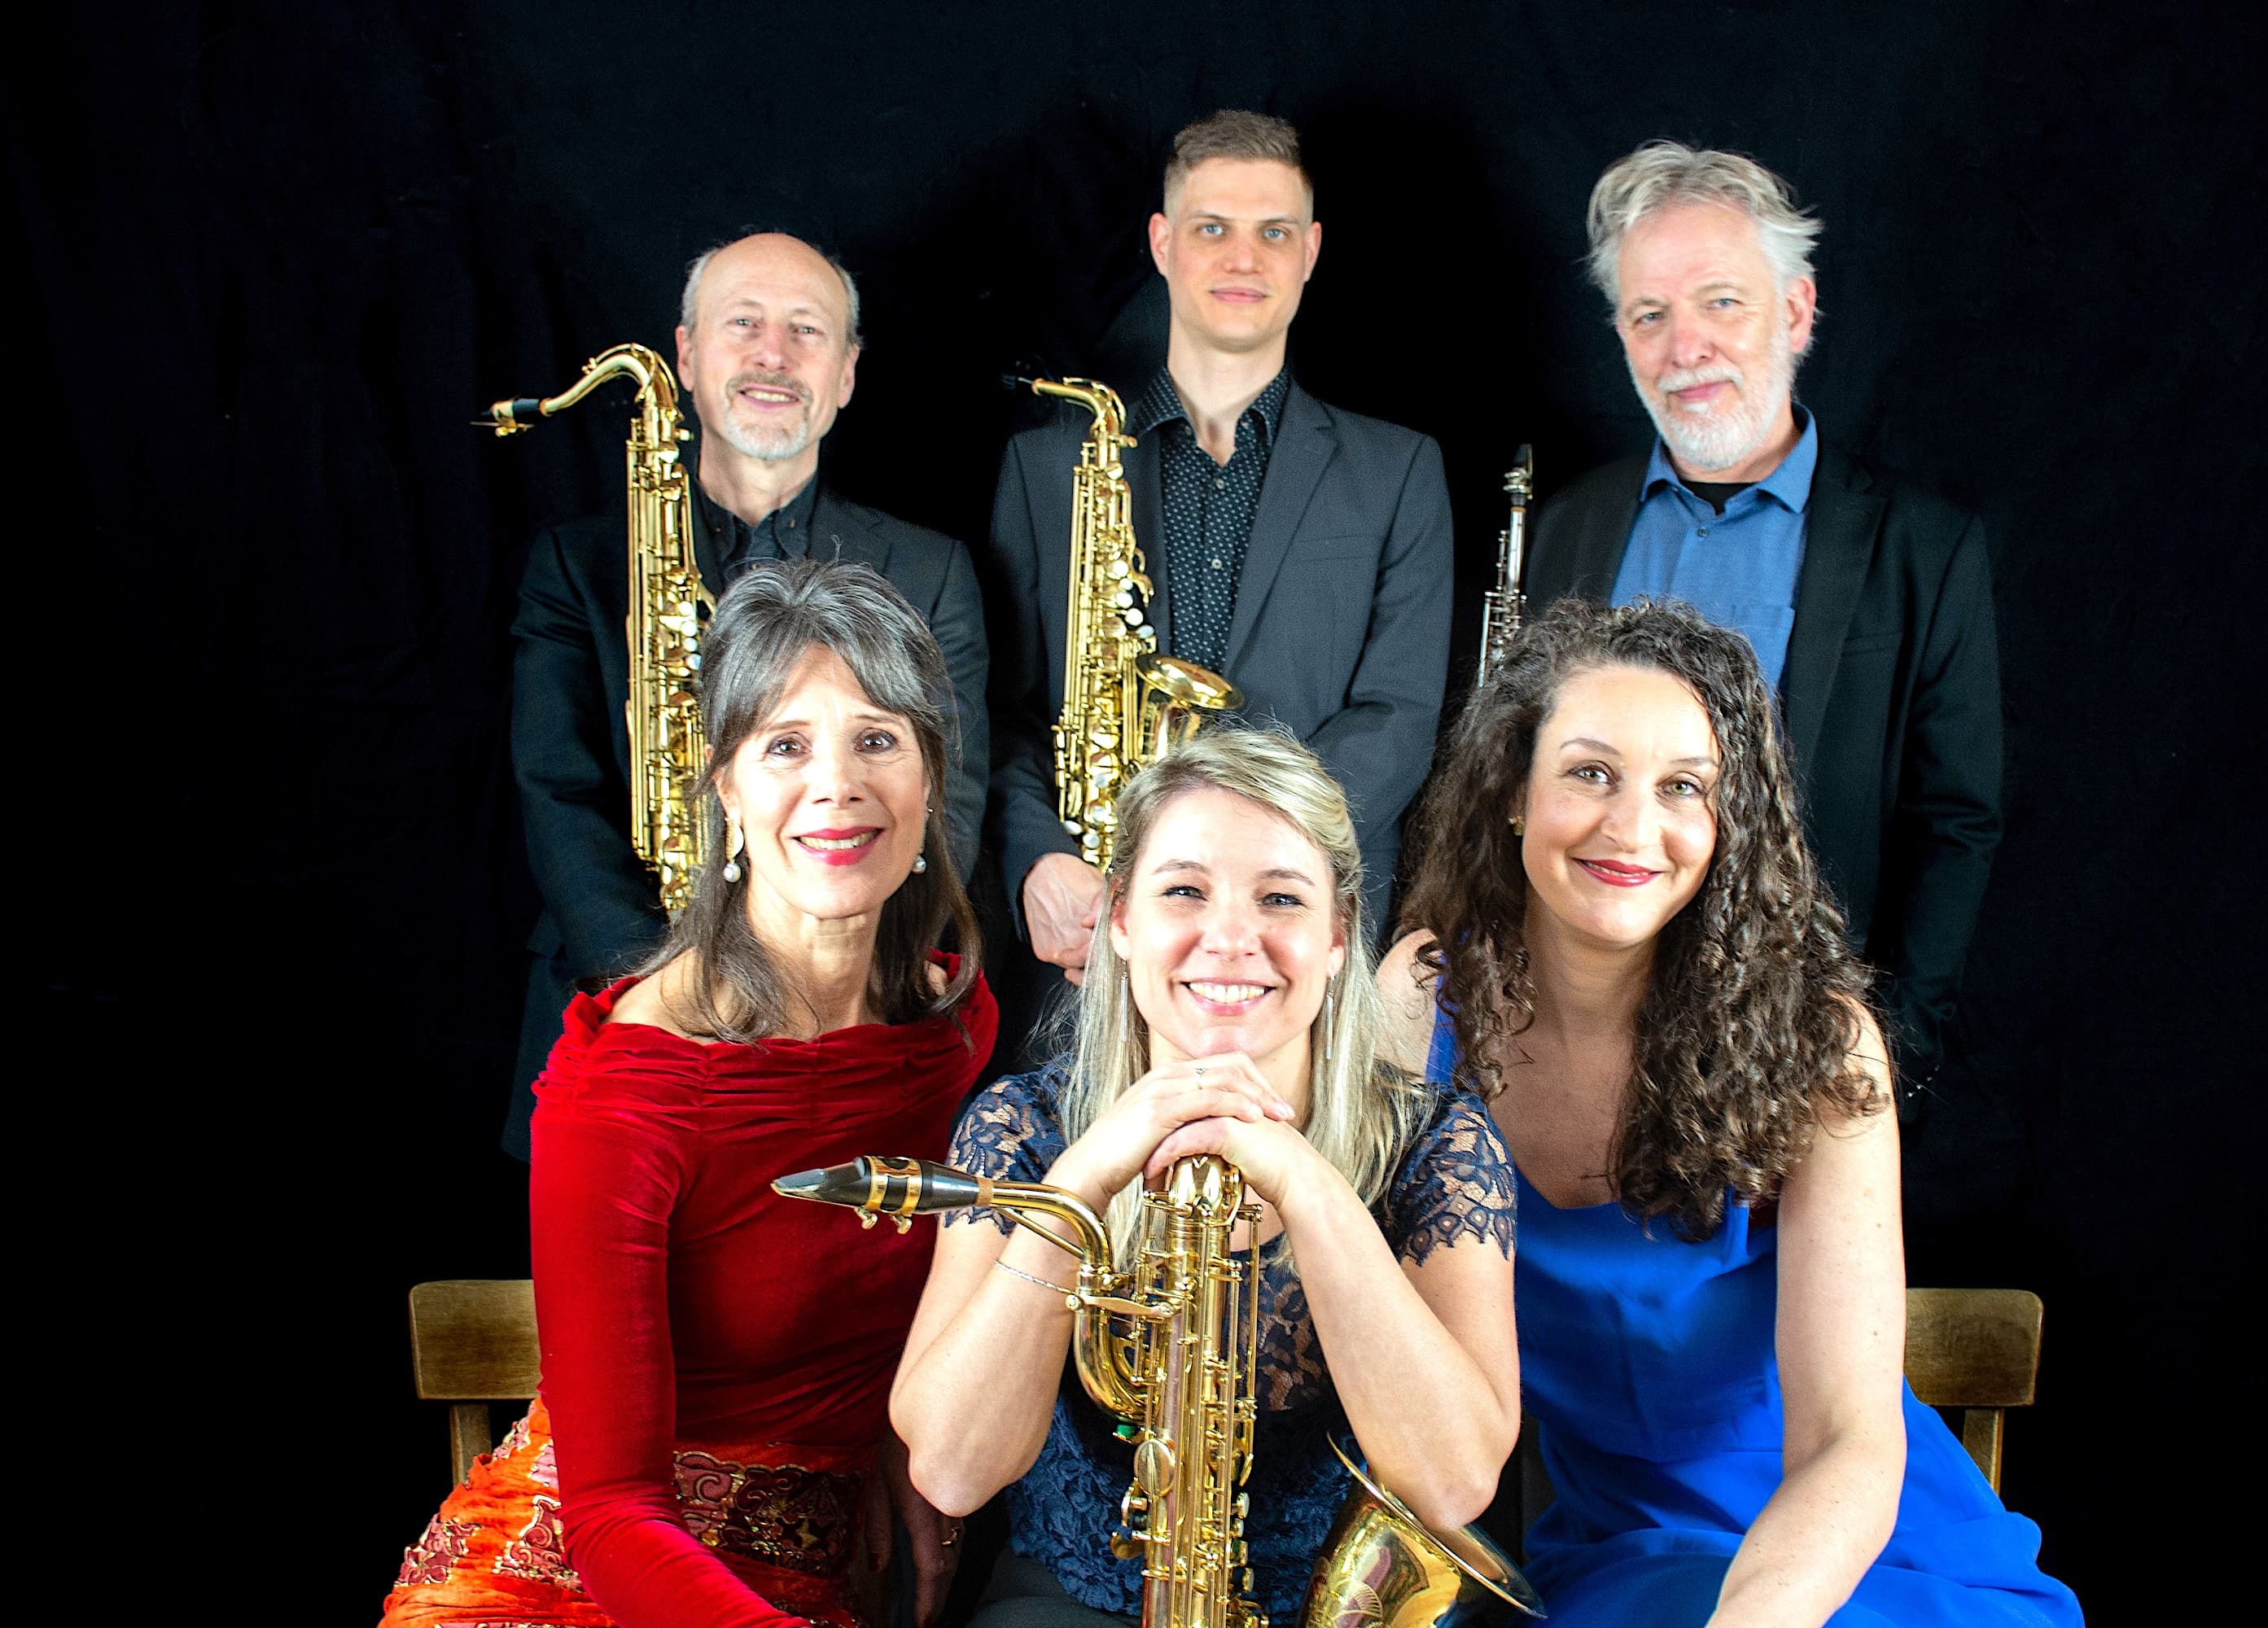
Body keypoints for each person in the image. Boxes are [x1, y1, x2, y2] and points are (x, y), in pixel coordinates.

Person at [1383, 598, 2078, 1627]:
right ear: (1513, 792)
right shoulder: (1423, 1001)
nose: (1632, 827)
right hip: (1623, 1552)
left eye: (1683, 787)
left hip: (1859, 1546)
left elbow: (1849, 1441)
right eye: (1590, 772)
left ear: (1728, 823)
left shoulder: (1822, 1042)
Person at [384, 562, 998, 1628]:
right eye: (786, 746)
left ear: (931, 779)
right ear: (727, 791)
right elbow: (612, 1513)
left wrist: (900, 1439)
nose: (837, 783)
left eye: (877, 738)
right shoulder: (629, 1086)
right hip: (579, 1583)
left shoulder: (950, 1024)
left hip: (811, 1575)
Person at [895, 729, 1514, 1627]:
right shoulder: (1024, 1128)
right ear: (1120, 919)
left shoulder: (1438, 1143)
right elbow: (953, 1472)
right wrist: (1079, 1185)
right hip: (1071, 1605)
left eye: (1281, 898)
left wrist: (1308, 1186)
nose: (1230, 938)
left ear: (1338, 935)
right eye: (1184, 890)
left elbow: (1454, 1482)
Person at [1525, 142, 2003, 1118]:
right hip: (1564, 1046)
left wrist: (1885, 1058)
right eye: (1649, 314)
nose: (1684, 347)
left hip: (1799, 1057)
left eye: (1721, 302)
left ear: (1795, 311)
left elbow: (1954, 823)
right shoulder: (1571, 523)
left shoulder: (1923, 546)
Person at [507, 230, 992, 1156]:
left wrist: (842, 992)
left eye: (806, 330)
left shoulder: (930, 570)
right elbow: (559, 796)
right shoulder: (576, 565)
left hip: (856, 1028)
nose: (774, 354)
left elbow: (946, 799)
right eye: (744, 324)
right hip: (623, 1020)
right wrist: (671, 997)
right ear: (687, 356)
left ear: (846, 373)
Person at [985, 110, 1453, 1036]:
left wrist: (1233, 874)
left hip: (1298, 950)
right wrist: (1038, 859)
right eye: (1213, 228)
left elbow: (1398, 718)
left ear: (1310, 251)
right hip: (1090, 948)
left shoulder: (1398, 470)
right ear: (1163, 243)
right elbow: (1000, 707)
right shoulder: (1044, 465)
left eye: (1274, 232)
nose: (1244, 258)